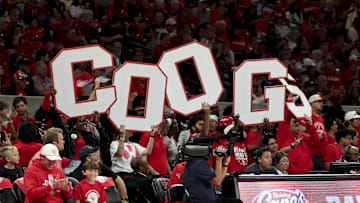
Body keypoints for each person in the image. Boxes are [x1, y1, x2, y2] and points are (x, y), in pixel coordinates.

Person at [306, 93, 328, 170]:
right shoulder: (307, 117)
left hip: (321, 153)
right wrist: (317, 137)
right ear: (312, 104)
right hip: (311, 152)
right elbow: (303, 133)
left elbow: (324, 133)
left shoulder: (320, 118)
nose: (322, 104)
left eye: (322, 102)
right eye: (319, 102)